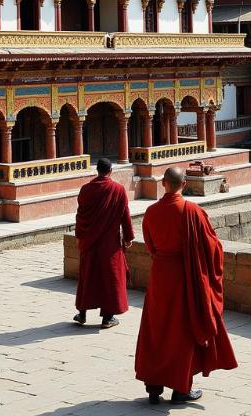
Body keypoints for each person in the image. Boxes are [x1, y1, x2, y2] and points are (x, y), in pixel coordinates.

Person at [135, 166, 237, 404]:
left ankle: (153, 387)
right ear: (185, 184)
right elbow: (213, 247)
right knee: (182, 331)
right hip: (185, 276)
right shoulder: (193, 211)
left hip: (160, 276)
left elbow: (151, 248)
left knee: (157, 329)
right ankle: (181, 388)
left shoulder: (150, 212)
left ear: (164, 184)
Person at [73, 157, 134, 329]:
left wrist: (80, 236)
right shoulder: (118, 189)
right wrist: (128, 237)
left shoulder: (85, 189)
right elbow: (125, 215)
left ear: (97, 170)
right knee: (110, 278)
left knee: (88, 276)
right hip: (110, 244)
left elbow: (80, 216)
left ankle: (82, 313)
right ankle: (108, 318)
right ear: (110, 171)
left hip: (89, 241)